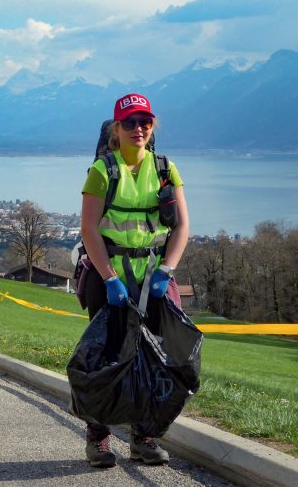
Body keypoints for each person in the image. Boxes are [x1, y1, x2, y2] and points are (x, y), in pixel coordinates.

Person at [77, 93, 190, 467]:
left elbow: (183, 227)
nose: (138, 128)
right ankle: (99, 439)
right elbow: (89, 230)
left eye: (145, 122)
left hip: (155, 273)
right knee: (106, 357)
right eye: (130, 123)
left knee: (159, 357)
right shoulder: (102, 171)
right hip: (111, 274)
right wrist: (109, 278)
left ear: (152, 126)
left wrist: (166, 270)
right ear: (116, 128)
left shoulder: (166, 169)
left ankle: (144, 437)